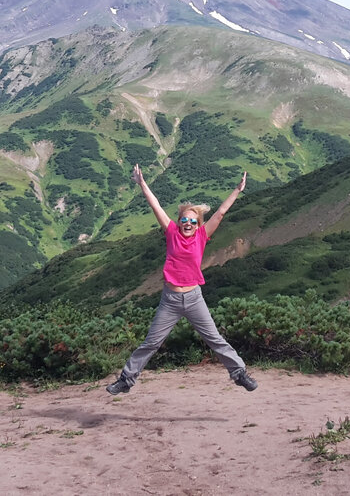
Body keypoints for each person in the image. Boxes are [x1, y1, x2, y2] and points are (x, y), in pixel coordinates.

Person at [105, 165, 258, 394]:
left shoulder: (202, 236)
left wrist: (237, 189)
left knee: (215, 339)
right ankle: (126, 380)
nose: (188, 224)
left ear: (198, 224)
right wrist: (142, 183)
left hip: (194, 297)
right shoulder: (171, 232)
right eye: (185, 220)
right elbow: (155, 205)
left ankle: (239, 374)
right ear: (179, 222)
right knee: (152, 343)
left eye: (193, 221)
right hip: (171, 299)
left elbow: (221, 213)